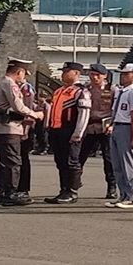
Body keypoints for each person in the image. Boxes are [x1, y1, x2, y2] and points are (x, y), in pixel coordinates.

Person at [0, 57, 45, 207]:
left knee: (4, 162)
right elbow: (18, 106)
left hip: (2, 127)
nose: (24, 77)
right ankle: (10, 193)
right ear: (19, 72)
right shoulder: (9, 84)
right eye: (24, 73)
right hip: (9, 127)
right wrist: (35, 114)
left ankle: (1, 193)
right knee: (13, 162)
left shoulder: (2, 82)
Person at [44, 61, 91, 204]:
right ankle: (63, 190)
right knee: (61, 161)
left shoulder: (81, 92)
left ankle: (72, 191)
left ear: (76, 74)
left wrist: (78, 133)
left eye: (66, 71)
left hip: (70, 130)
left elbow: (84, 114)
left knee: (72, 161)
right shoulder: (59, 91)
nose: (63, 74)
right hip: (57, 130)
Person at [108, 63, 133, 209]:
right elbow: (115, 111)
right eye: (122, 73)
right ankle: (123, 195)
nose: (123, 76)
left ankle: (132, 197)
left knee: (128, 164)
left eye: (126, 74)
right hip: (118, 125)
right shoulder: (121, 91)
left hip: (128, 127)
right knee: (117, 165)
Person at [81, 63, 119, 200]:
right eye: (92, 75)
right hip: (89, 127)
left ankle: (112, 187)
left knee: (109, 159)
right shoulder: (85, 90)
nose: (94, 77)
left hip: (105, 127)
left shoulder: (112, 90)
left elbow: (116, 109)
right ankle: (72, 185)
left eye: (97, 75)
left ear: (105, 76)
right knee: (79, 157)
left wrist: (113, 125)